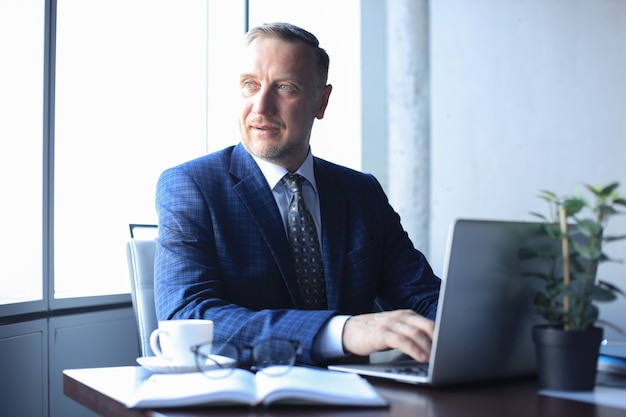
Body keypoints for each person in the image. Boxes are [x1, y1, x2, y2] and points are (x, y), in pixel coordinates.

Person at [154, 22, 441, 366]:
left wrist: (475, 325)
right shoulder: (192, 186)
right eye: (250, 85)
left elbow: (423, 296)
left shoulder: (361, 192)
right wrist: (341, 331)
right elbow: (186, 315)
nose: (261, 106)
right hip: (250, 397)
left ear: (322, 101)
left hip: (362, 397)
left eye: (285, 88)